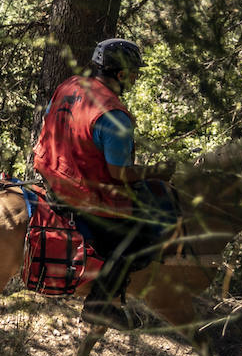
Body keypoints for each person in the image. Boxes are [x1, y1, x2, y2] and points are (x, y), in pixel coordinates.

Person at [32, 39, 177, 330]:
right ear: (121, 74)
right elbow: (118, 173)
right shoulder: (114, 115)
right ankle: (99, 304)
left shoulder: (70, 85)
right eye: (133, 73)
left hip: (51, 175)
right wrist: (156, 172)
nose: (135, 78)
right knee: (140, 233)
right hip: (82, 192)